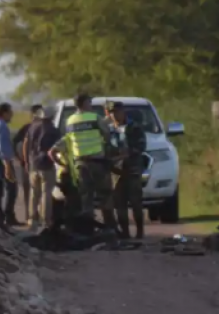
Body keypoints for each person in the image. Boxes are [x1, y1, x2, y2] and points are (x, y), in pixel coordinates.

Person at [47, 93, 116, 233]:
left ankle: (88, 230)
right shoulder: (95, 118)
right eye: (89, 102)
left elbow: (69, 140)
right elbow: (107, 136)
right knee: (105, 196)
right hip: (98, 163)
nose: (91, 104)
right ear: (84, 103)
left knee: (86, 198)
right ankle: (111, 228)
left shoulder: (70, 121)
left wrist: (63, 164)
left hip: (80, 165)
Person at [105, 101, 147, 239]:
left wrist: (126, 154)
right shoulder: (108, 130)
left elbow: (141, 146)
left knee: (136, 202)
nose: (115, 115)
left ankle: (140, 232)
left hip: (132, 169)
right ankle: (125, 233)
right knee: (120, 203)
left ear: (123, 112)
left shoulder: (134, 127)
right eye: (112, 113)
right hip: (116, 172)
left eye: (117, 112)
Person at [22, 104, 61, 231]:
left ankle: (32, 221)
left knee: (34, 193)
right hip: (47, 164)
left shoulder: (32, 127)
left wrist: (27, 161)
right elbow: (57, 147)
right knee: (46, 194)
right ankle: (46, 222)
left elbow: (26, 144)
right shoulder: (53, 130)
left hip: (33, 163)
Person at [0, 102, 21, 229]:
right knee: (12, 189)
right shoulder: (2, 127)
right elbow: (3, 147)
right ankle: (8, 217)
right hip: (2, 161)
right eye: (10, 113)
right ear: (4, 113)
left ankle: (0, 218)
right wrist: (7, 166)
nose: (11, 115)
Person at [13, 106, 38, 224]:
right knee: (30, 191)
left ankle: (36, 217)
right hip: (28, 164)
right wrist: (20, 159)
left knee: (39, 192)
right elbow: (15, 142)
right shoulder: (27, 128)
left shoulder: (44, 126)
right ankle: (30, 216)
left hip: (35, 163)